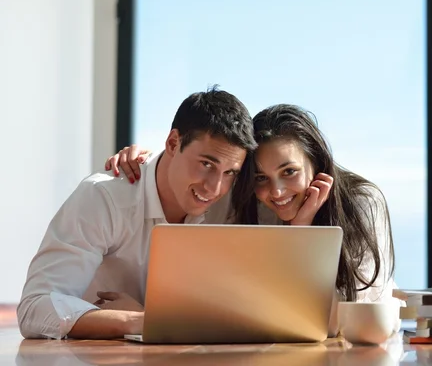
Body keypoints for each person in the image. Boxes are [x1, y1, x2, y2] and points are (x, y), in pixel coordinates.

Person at [17, 87, 256, 340]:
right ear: (173, 143)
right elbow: (34, 310)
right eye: (206, 164)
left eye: (230, 172)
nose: (215, 187)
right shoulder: (104, 197)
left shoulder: (230, 206)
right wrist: (137, 321)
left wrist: (150, 317)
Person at [108, 104, 396, 305]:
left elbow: (350, 312)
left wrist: (301, 234)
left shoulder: (361, 203)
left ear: (318, 162)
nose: (276, 191)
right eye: (261, 177)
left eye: (289, 171)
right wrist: (142, 161)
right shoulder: (247, 204)